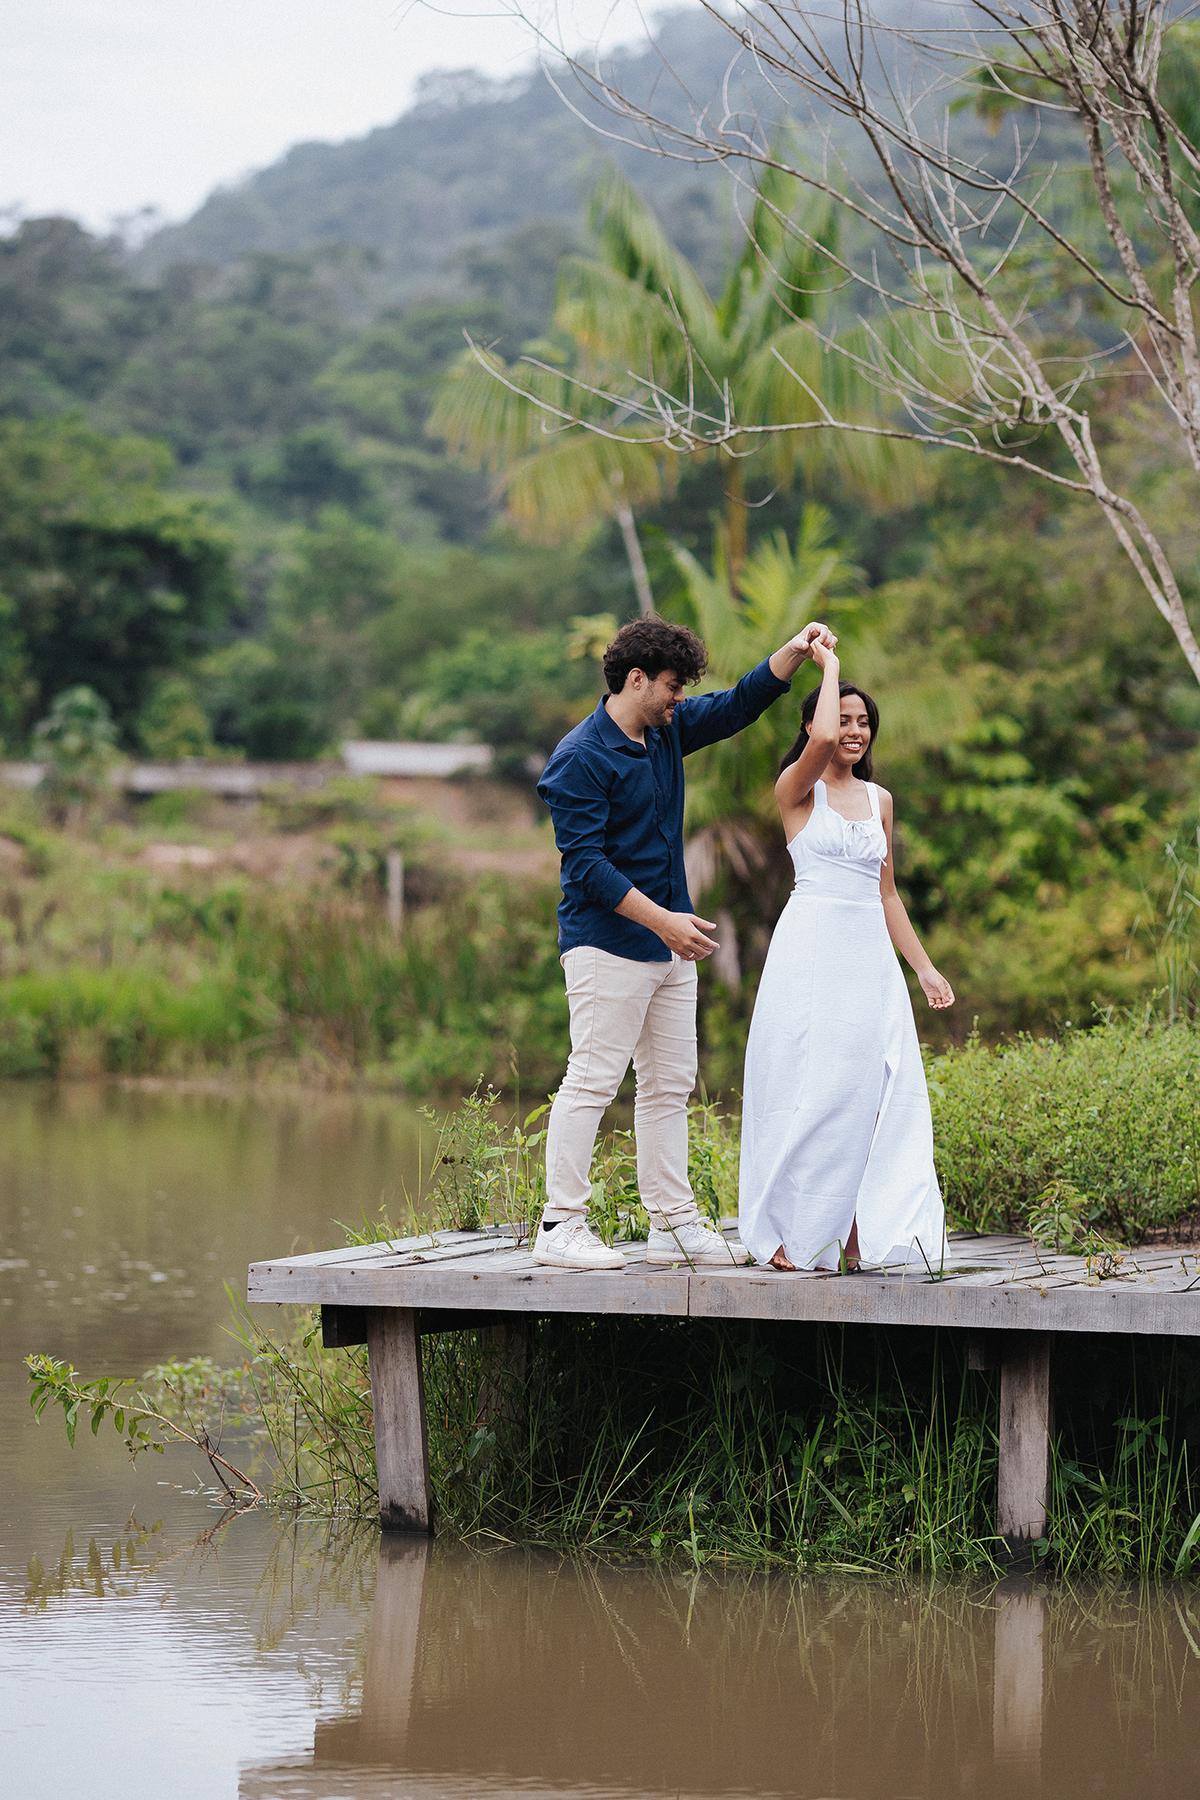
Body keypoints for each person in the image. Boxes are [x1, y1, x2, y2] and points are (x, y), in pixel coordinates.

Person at [534, 615, 837, 1271]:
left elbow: (737, 706)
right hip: (608, 944)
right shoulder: (580, 757)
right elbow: (585, 867)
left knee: (670, 1085)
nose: (680, 699)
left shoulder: (665, 730)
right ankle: (560, 1224)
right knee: (592, 1079)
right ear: (636, 679)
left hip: (672, 944)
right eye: (673, 686)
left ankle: (672, 1225)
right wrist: (663, 922)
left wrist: (794, 650)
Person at [737, 643, 954, 1273]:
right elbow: (826, 738)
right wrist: (827, 664)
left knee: (870, 1091)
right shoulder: (797, 790)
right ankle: (782, 1229)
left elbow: (887, 894)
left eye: (865, 722)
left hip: (868, 958)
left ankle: (852, 1231)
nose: (853, 731)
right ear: (812, 725)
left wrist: (924, 967)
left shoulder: (880, 799)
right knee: (807, 1086)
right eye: (844, 718)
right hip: (811, 949)